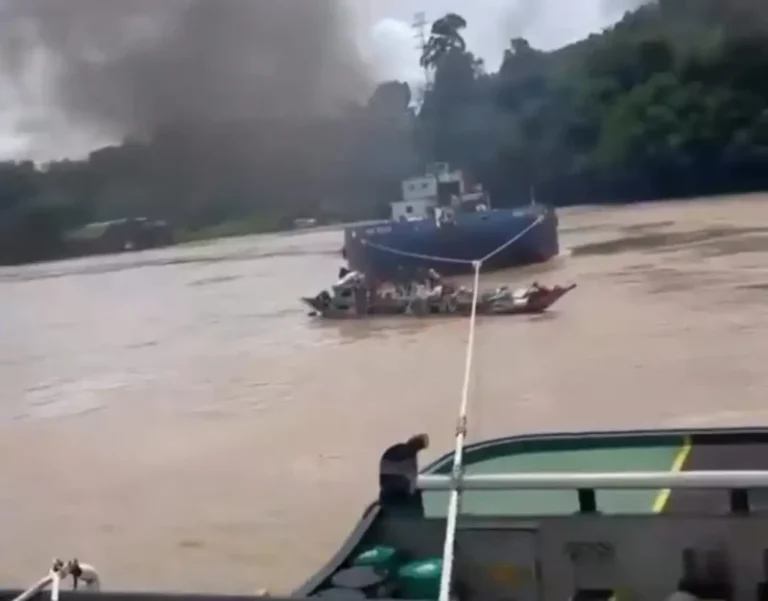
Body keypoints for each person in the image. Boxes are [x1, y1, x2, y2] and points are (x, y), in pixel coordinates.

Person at [378, 433, 430, 516]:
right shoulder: (405, 456)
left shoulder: (398, 452)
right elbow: (410, 479)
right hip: (398, 499)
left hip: (391, 496)